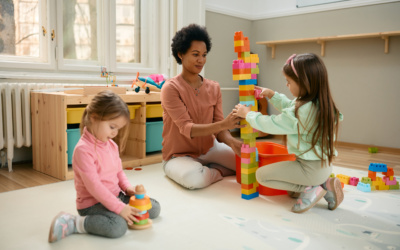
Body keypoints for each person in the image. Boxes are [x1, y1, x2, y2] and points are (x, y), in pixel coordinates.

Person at [233, 53, 344, 213]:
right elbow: (290, 107)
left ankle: (313, 188)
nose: (286, 85)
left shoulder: (302, 112)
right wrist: (272, 95)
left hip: (309, 169)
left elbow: (272, 124)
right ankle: (323, 183)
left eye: (289, 82)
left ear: (304, 83)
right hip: (323, 166)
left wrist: (248, 114)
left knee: (261, 176)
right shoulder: (319, 103)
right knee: (291, 191)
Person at [48, 90, 161, 242]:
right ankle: (74, 223)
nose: (115, 133)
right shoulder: (83, 150)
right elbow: (95, 187)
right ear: (94, 118)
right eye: (112, 127)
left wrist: (128, 189)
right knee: (117, 227)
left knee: (152, 207)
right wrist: (121, 208)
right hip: (93, 205)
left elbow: (118, 172)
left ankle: (119, 211)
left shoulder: (111, 145)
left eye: (118, 129)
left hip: (116, 196)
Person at [161, 23, 244, 190]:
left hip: (210, 149)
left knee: (249, 165)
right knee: (194, 179)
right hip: (178, 156)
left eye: (204, 55)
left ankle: (209, 169)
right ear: (180, 54)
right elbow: (187, 128)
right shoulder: (170, 88)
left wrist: (232, 141)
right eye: (195, 54)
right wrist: (225, 124)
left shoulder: (214, 87)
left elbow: (221, 130)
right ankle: (218, 172)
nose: (201, 60)